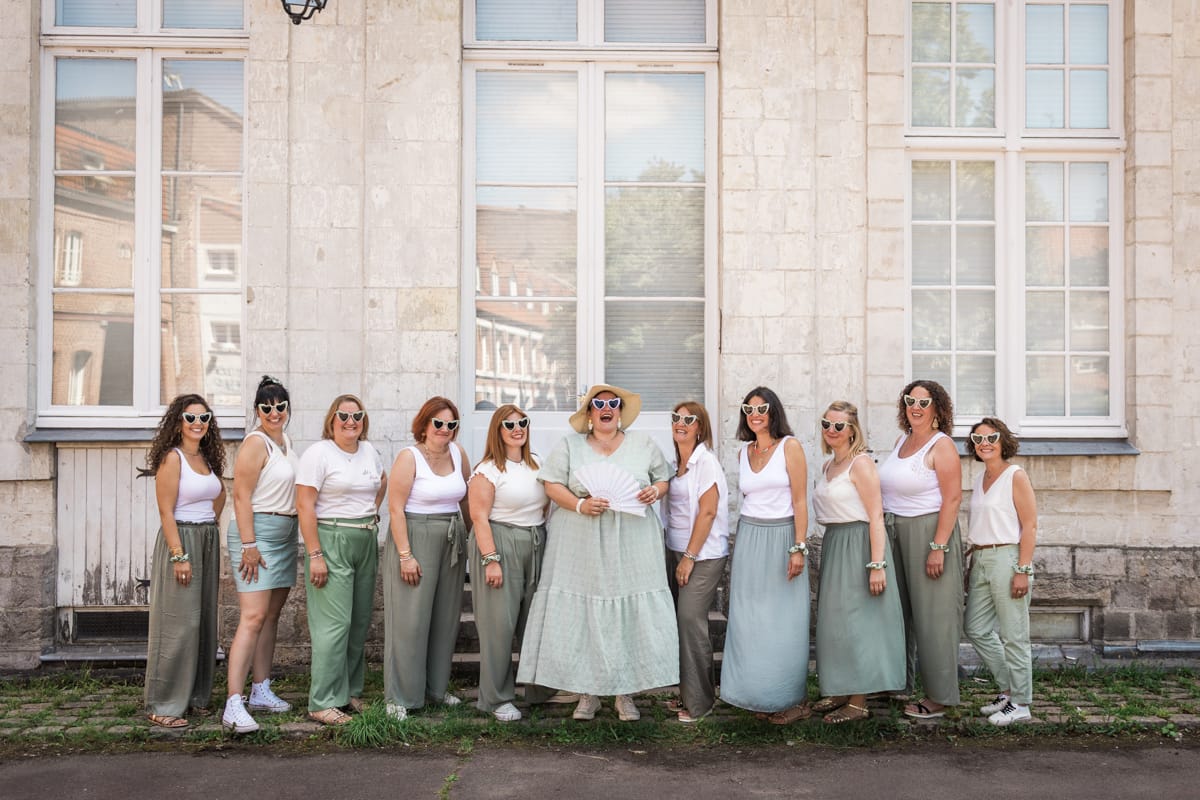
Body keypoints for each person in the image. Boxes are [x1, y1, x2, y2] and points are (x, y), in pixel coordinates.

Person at [518, 385, 677, 722]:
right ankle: (586, 693)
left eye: (612, 403)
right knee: (585, 614)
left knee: (625, 615)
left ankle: (625, 694)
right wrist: (579, 503)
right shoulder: (569, 446)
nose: (606, 408)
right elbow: (551, 485)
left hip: (632, 543)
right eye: (598, 404)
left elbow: (664, 479)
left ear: (619, 411)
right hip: (579, 542)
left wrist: (654, 491)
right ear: (589, 413)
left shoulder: (643, 445)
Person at [720, 386, 812, 725]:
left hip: (783, 535)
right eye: (749, 408)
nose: (755, 414)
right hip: (750, 536)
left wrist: (799, 547)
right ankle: (756, 694)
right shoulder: (744, 452)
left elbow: (801, 501)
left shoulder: (791, 447)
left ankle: (790, 698)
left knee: (783, 620)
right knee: (750, 619)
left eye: (762, 408)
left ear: (774, 411)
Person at [809, 401, 905, 723]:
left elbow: (876, 515)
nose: (831, 431)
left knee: (859, 621)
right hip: (835, 542)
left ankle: (859, 700)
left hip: (859, 544)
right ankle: (839, 688)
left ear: (852, 430)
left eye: (839, 426)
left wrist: (877, 564)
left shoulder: (861, 464)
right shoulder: (827, 466)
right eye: (827, 424)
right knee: (836, 622)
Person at [295, 394, 387, 726]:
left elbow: (382, 481)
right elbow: (304, 506)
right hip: (331, 539)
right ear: (331, 419)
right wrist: (315, 554)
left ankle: (348, 692)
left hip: (365, 537)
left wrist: (369, 513)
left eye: (357, 415)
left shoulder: (369, 451)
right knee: (334, 625)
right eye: (343, 415)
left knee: (359, 621)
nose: (351, 421)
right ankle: (322, 701)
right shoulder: (318, 453)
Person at [877, 380, 964, 719]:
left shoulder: (942, 446)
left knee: (934, 617)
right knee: (899, 613)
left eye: (924, 402)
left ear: (938, 409)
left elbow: (953, 498)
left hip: (929, 532)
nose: (916, 406)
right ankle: (900, 683)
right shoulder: (902, 440)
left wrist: (938, 546)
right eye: (910, 400)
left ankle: (940, 696)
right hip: (895, 532)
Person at [383, 397, 472, 721]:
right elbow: (395, 508)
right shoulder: (410, 458)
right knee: (410, 620)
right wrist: (406, 555)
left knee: (445, 619)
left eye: (451, 425)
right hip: (415, 536)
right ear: (424, 424)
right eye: (439, 423)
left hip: (451, 537)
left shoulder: (458, 454)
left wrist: (472, 539)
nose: (445, 430)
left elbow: (466, 500)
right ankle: (400, 696)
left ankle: (436, 689)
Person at [220, 376, 300, 734]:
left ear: (287, 409)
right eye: (266, 407)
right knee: (252, 617)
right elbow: (240, 496)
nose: (274, 412)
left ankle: (260, 689)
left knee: (271, 617)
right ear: (257, 411)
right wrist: (249, 545)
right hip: (257, 536)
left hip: (284, 535)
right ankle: (233, 702)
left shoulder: (285, 442)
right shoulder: (255, 443)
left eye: (280, 406)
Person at [466, 404, 555, 722]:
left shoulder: (538, 464)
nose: (517, 428)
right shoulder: (488, 469)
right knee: (498, 626)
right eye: (509, 424)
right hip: (499, 544)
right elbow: (478, 517)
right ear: (497, 430)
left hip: (534, 542)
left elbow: (546, 507)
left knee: (534, 620)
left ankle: (538, 691)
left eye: (523, 422)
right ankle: (495, 698)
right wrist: (491, 560)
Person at [143, 394, 227, 729]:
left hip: (206, 538)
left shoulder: (207, 458)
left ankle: (195, 697)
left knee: (204, 620)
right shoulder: (172, 458)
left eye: (203, 418)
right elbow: (166, 511)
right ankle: (164, 703)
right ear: (178, 421)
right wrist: (180, 554)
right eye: (190, 418)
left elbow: (219, 494)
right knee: (179, 623)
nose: (197, 424)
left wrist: (211, 527)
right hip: (182, 540)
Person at [964, 417, 1038, 726]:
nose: (985, 443)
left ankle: (1021, 703)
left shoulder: (1014, 476)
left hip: (1008, 558)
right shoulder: (980, 479)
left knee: (1014, 635)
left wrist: (1022, 569)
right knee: (976, 628)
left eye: (991, 437)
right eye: (978, 438)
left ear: (1002, 440)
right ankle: (1008, 690)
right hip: (981, 558)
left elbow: (1030, 525)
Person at [664, 401, 729, 724]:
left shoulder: (707, 463)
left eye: (689, 419)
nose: (681, 423)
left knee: (691, 620)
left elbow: (707, 512)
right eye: (676, 417)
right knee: (679, 624)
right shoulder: (676, 463)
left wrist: (689, 557)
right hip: (675, 549)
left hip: (702, 555)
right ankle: (687, 693)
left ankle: (702, 701)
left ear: (700, 428)